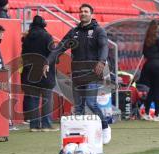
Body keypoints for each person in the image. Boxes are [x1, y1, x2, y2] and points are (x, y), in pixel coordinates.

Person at [43, 4, 111, 144]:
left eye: (86, 11)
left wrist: (102, 61)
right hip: (77, 75)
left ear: (91, 14)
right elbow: (59, 48)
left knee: (91, 104)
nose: (83, 13)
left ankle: (105, 127)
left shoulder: (99, 31)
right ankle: (78, 136)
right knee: (78, 106)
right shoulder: (73, 32)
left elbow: (104, 46)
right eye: (81, 11)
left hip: (93, 73)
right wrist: (47, 62)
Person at [21, 15, 58, 132]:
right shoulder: (47, 36)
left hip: (30, 72)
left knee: (32, 99)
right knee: (47, 98)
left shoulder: (26, 38)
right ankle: (46, 124)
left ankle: (34, 126)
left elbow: (23, 56)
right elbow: (53, 54)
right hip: (45, 72)